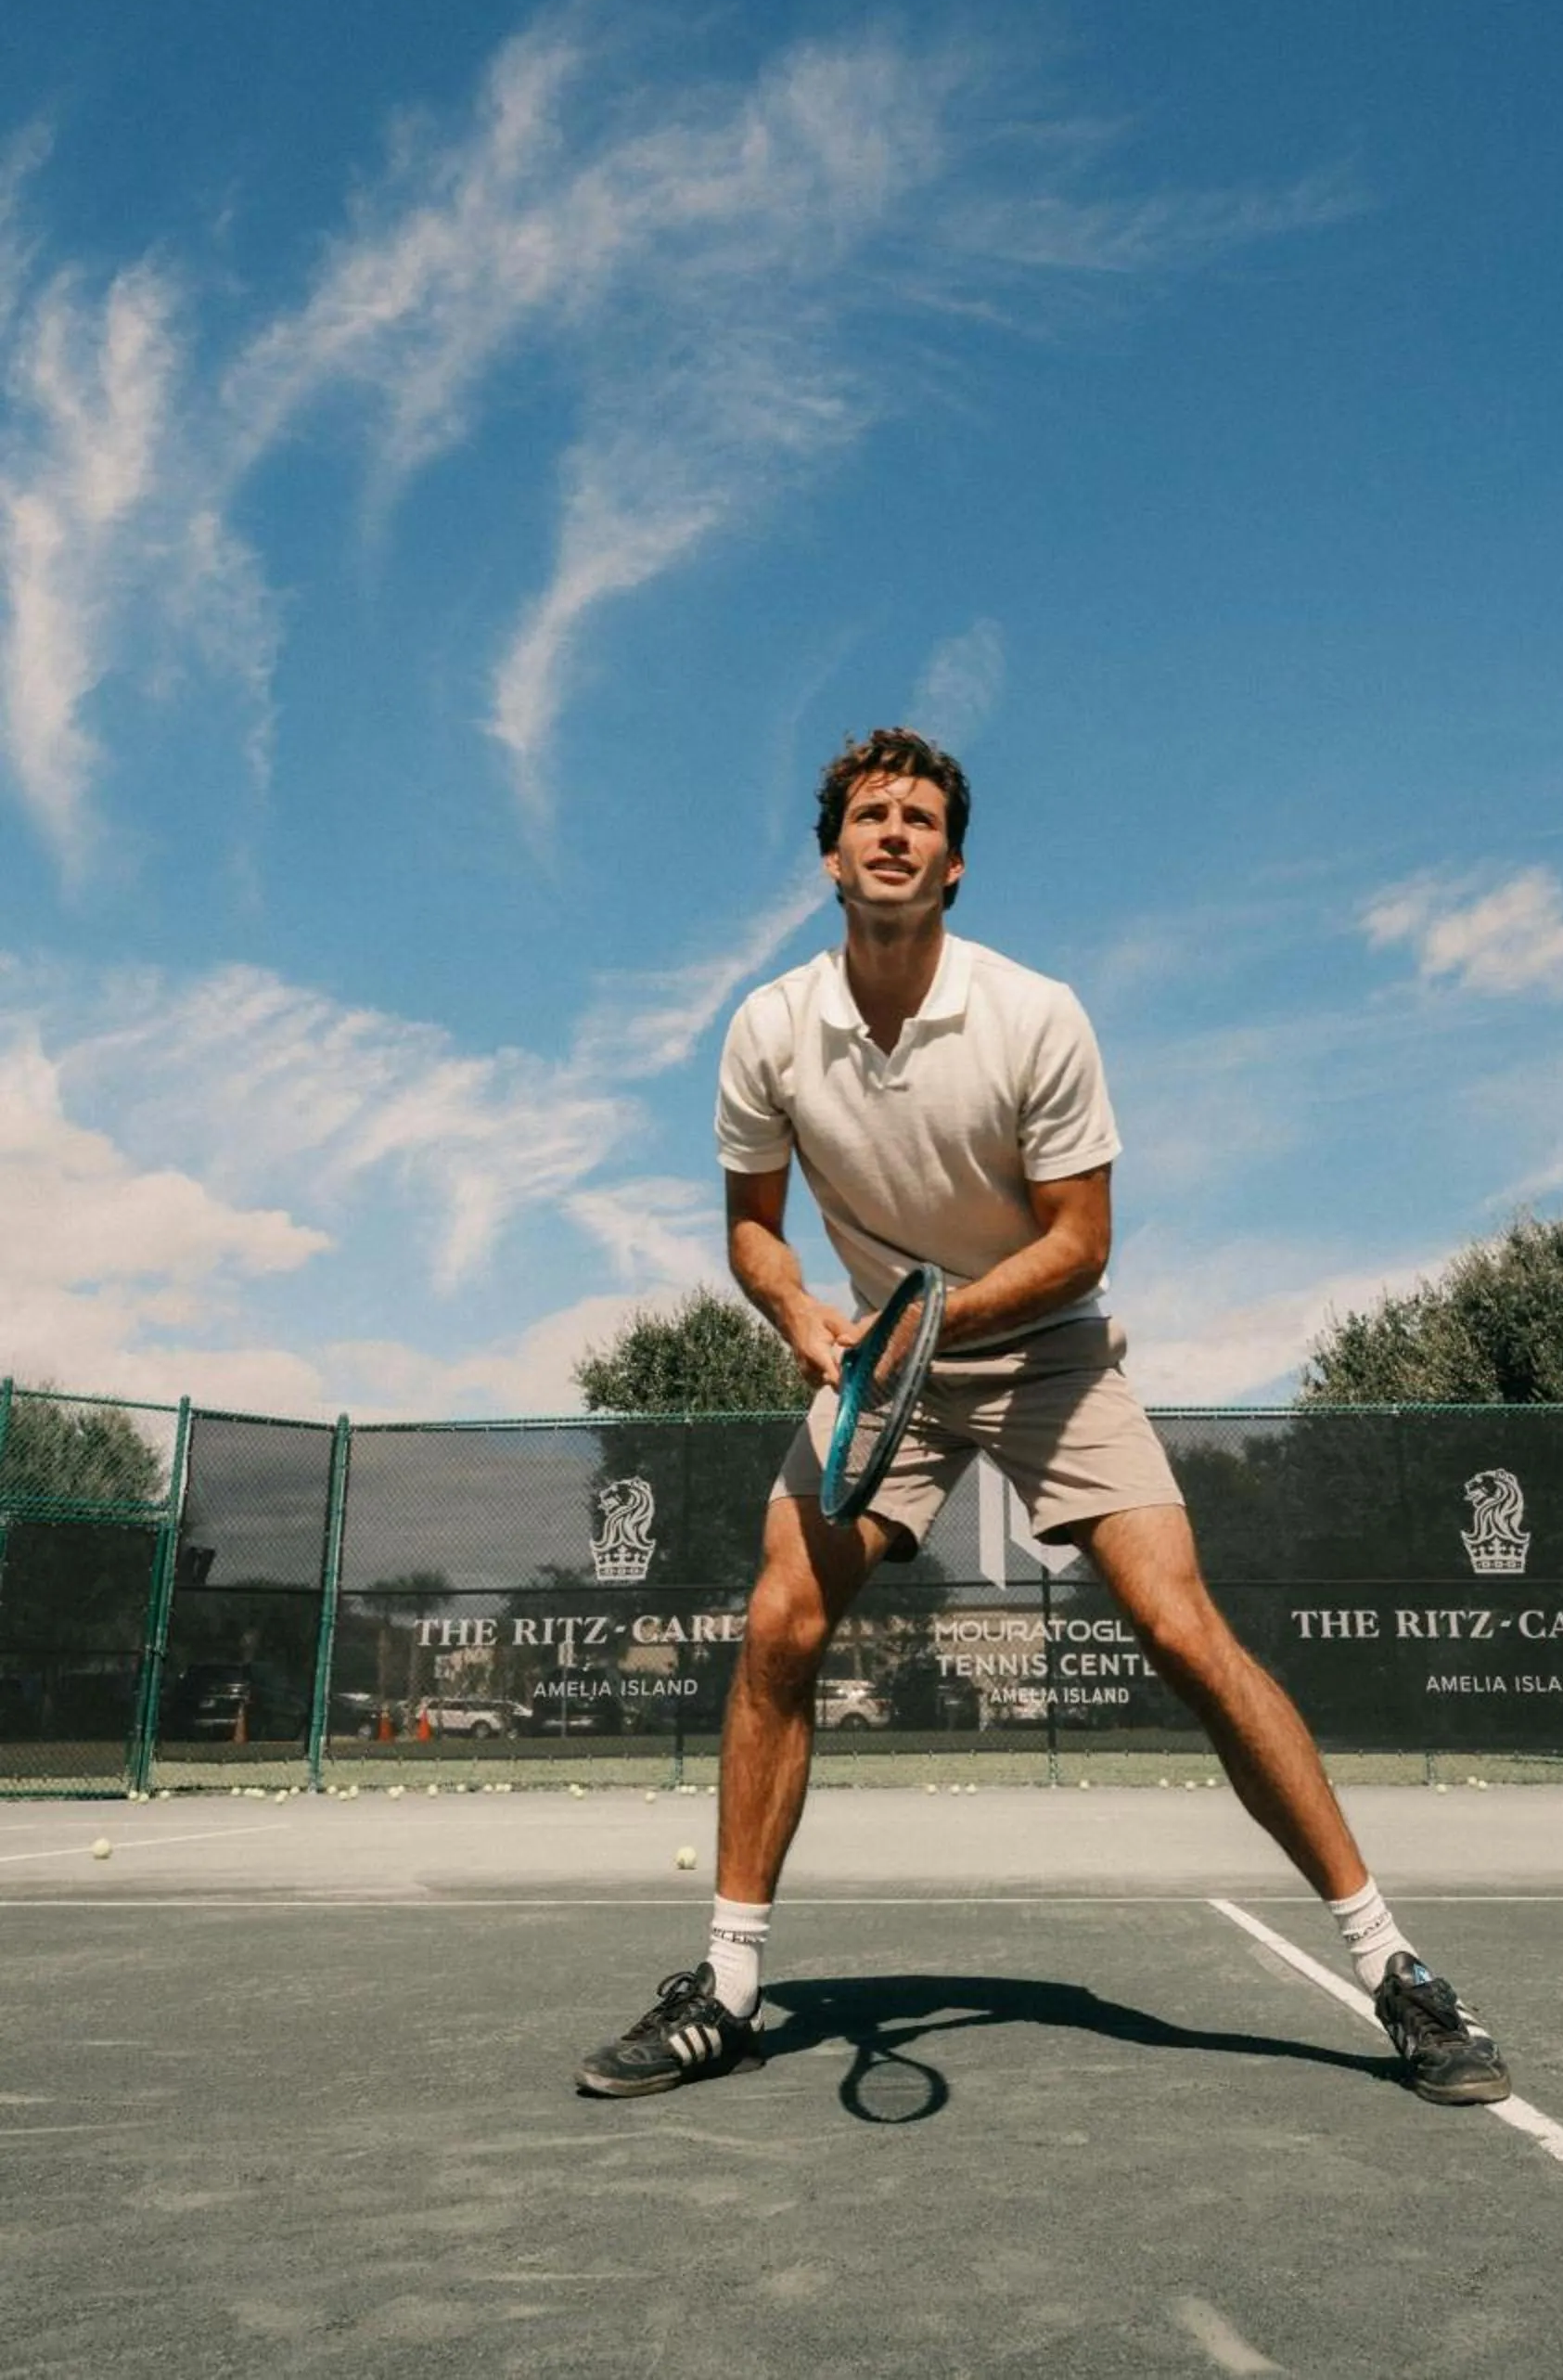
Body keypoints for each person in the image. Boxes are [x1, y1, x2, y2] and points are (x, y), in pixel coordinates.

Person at [577, 727, 1508, 2109]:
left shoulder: (1035, 1014)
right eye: (871, 815)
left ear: (953, 864)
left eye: (921, 818)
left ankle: (1398, 1970)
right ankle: (724, 1987)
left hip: (1047, 1354)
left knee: (1185, 1634)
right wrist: (802, 1320)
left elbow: (1081, 1243)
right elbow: (753, 1231)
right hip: (881, 1366)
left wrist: (929, 1324)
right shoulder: (769, 1027)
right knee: (779, 1624)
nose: (895, 833)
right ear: (831, 857)